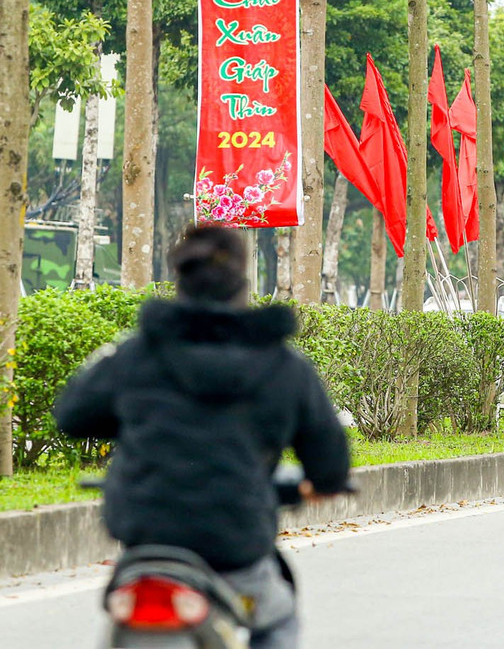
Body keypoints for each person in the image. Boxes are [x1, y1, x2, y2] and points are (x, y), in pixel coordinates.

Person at [54, 224, 351, 648]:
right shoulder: (284, 366)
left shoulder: (135, 354)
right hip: (236, 548)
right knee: (278, 618)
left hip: (144, 541)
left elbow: (72, 415)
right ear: (243, 283)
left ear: (180, 281)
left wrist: (134, 420)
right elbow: (330, 463)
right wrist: (320, 485)